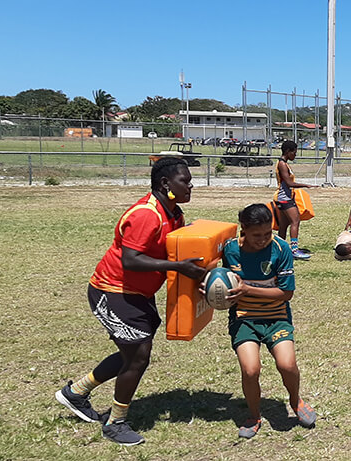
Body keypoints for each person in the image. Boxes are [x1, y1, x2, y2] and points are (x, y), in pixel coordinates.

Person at [55, 157, 208, 446]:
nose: (190, 185)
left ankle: (76, 392)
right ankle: (115, 423)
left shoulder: (174, 213)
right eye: (184, 181)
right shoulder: (146, 215)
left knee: (131, 354)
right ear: (165, 184)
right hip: (112, 291)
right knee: (138, 355)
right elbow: (131, 260)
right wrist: (179, 268)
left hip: (137, 294)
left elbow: (173, 253)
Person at [219, 204, 317, 438]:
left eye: (267, 233)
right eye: (257, 235)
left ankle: (296, 401)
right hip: (245, 319)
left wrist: (247, 289)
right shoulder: (230, 250)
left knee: (287, 365)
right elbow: (218, 279)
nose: (263, 239)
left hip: (277, 317)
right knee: (250, 370)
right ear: (243, 229)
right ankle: (254, 416)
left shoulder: (280, 248)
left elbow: (286, 293)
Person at [275, 140, 318, 260]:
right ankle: (294, 250)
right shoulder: (282, 164)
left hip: (283, 198)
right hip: (285, 199)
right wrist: (306, 185)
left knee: (284, 225)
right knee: (295, 221)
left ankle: (280, 249)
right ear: (288, 151)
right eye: (294, 152)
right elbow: (289, 183)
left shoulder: (284, 163)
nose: (295, 155)